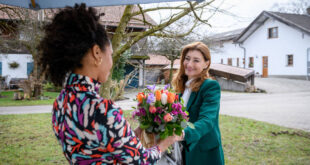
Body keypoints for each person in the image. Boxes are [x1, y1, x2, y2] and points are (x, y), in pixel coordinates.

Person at [39, 4, 180, 164]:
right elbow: (142, 161)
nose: (112, 62)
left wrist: (136, 131)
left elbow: (98, 147)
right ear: (97, 53)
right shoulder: (102, 110)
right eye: (111, 54)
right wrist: (166, 142)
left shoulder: (60, 103)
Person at [172, 42, 225, 165]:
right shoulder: (180, 88)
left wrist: (184, 133)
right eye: (187, 59)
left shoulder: (210, 86)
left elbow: (207, 120)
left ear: (206, 64)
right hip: (182, 150)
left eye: (196, 60)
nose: (189, 64)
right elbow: (177, 118)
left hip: (203, 153)